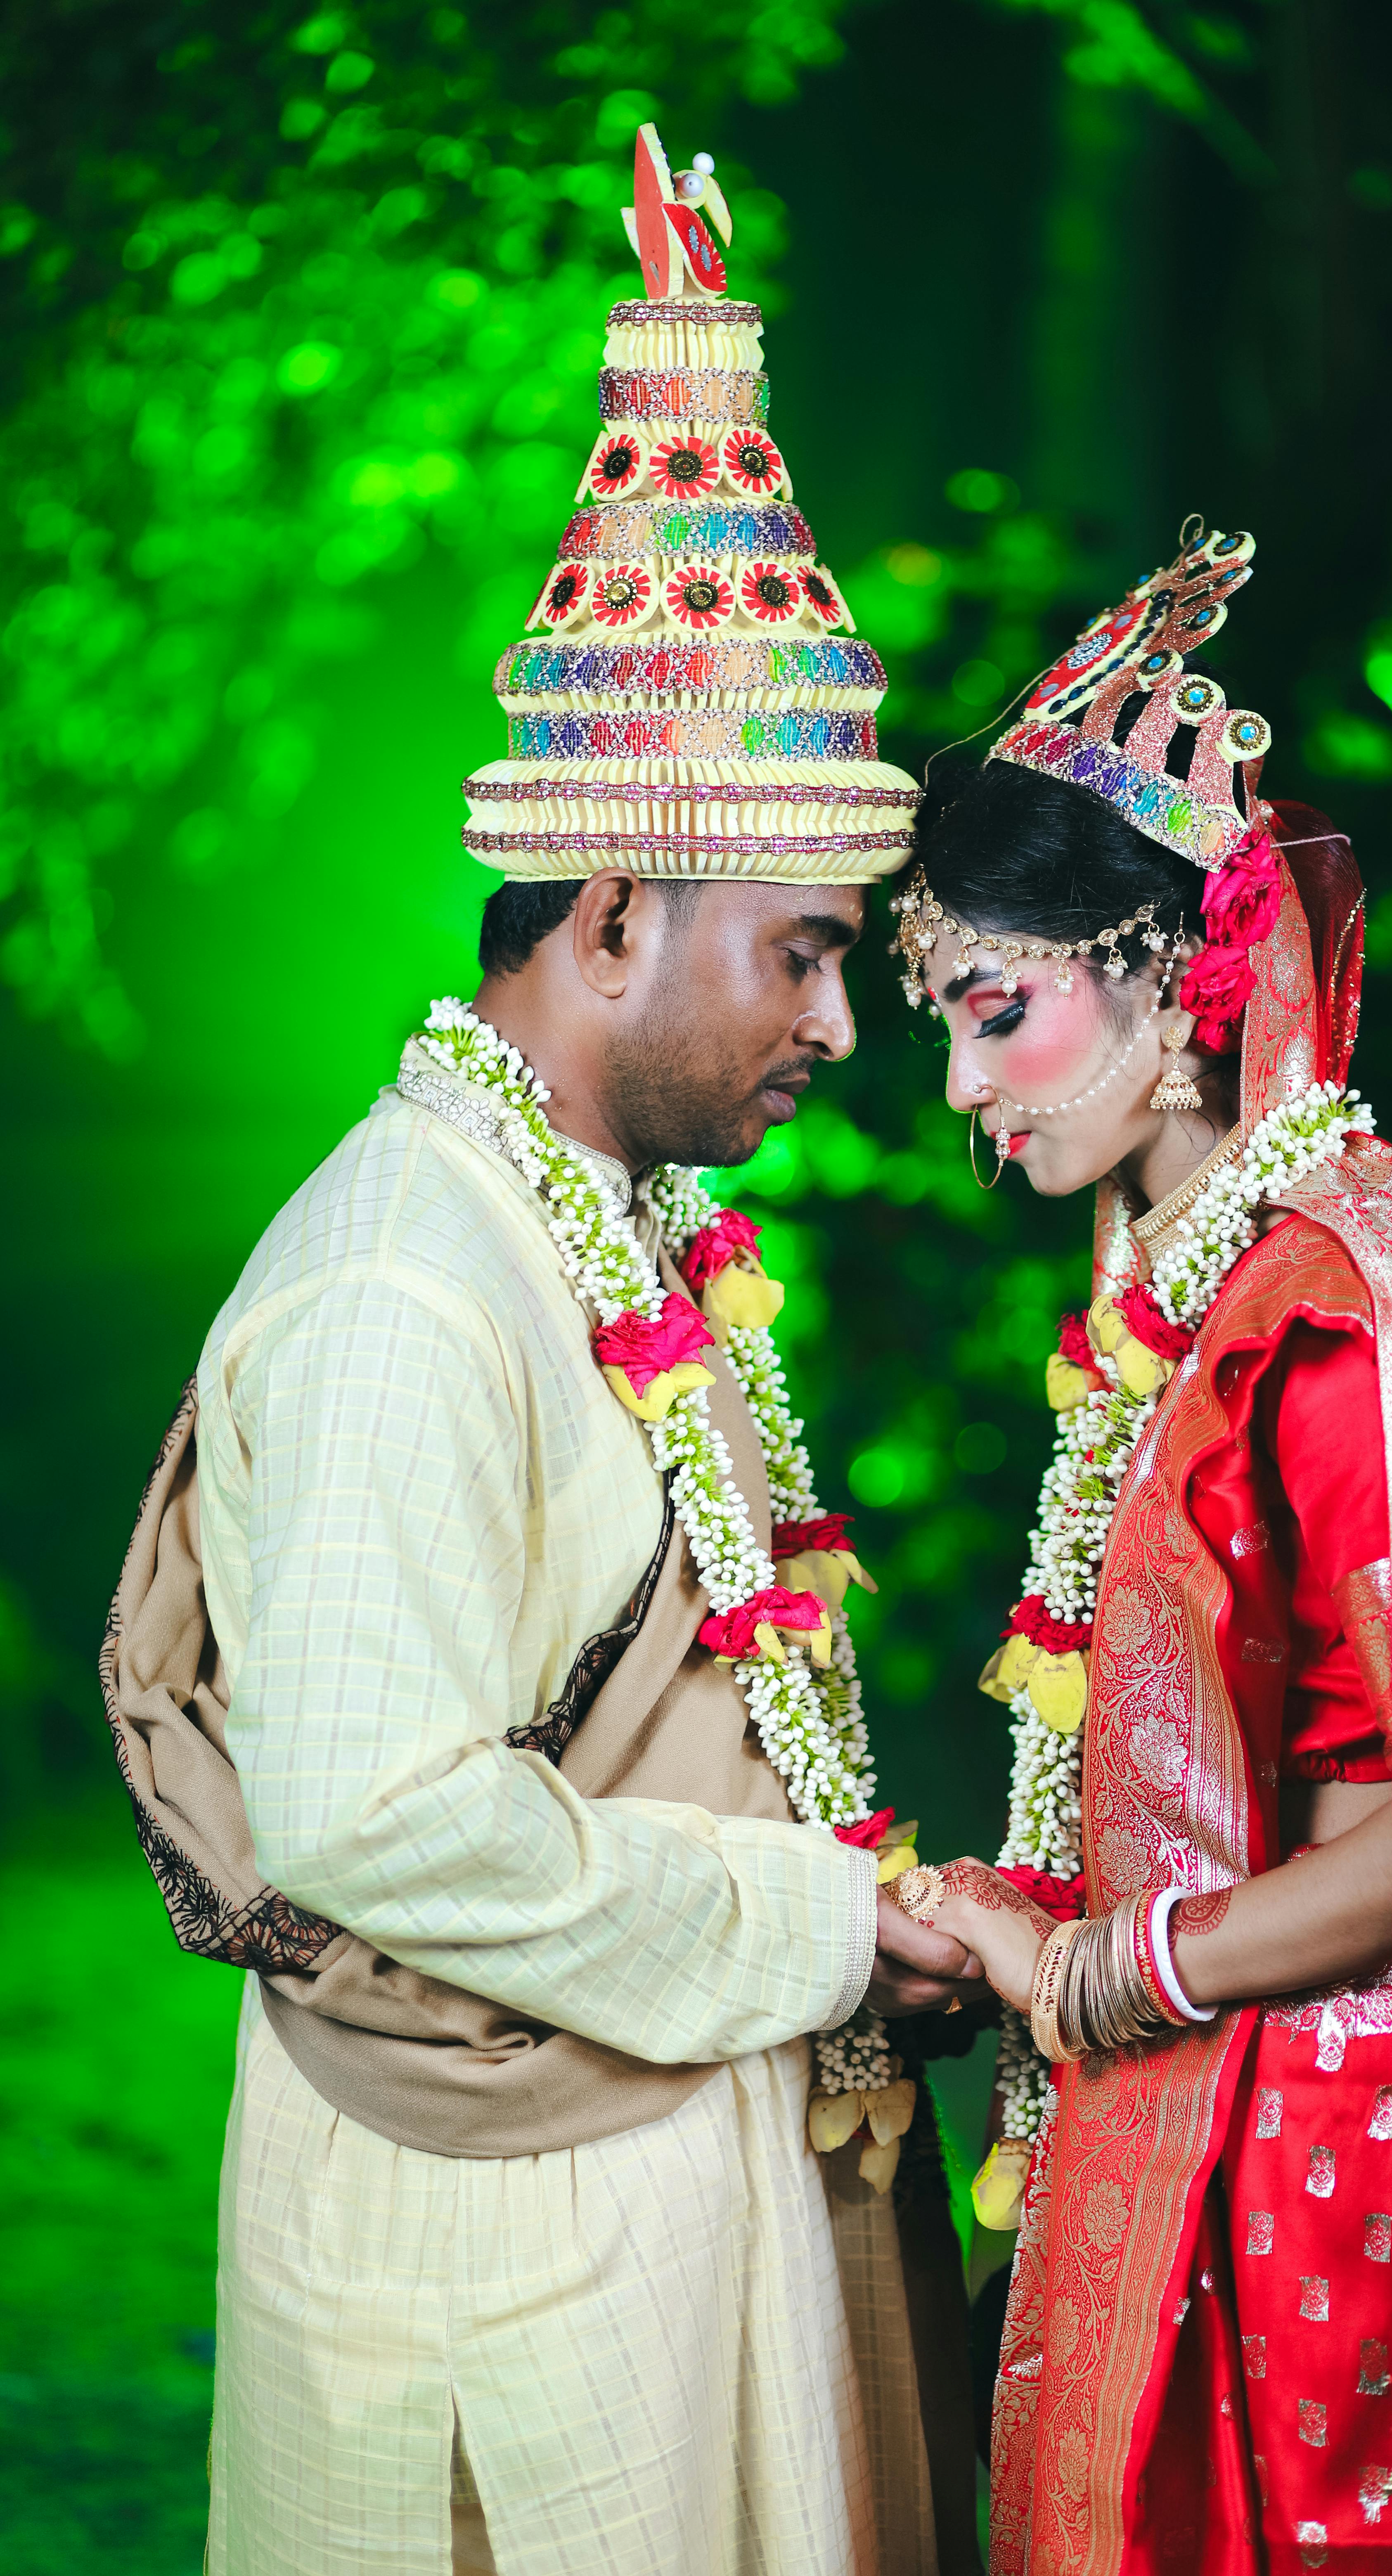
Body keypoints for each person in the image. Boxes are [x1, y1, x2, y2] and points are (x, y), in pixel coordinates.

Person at [99, 127, 985, 2576]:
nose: (840, 1020)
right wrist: (826, 1927)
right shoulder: (413, 1283)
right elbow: (374, 1813)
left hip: (664, 2174)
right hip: (514, 2255)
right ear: (611, 912)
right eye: (800, 955)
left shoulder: (618, 1212)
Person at [883, 521, 1392, 2572]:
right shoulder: (1201, 1284)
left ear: (1167, 970)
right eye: (942, 1029)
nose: (969, 1095)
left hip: (1312, 2193)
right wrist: (1002, 1913)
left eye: (996, 1012)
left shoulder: (1334, 1320)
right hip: (1200, 2113)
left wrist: (1080, 1972)